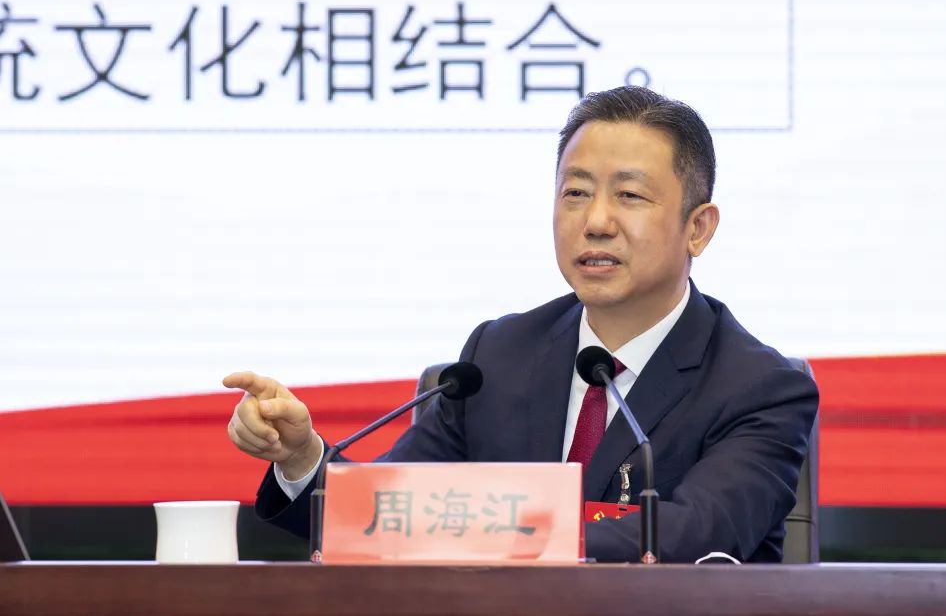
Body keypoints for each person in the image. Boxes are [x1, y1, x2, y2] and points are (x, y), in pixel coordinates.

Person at [225, 86, 819, 563]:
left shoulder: (759, 388)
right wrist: (301, 455)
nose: (596, 221)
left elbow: (695, 536)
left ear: (699, 228)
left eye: (630, 196)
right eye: (575, 193)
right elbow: (388, 513)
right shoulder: (497, 357)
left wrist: (489, 531)